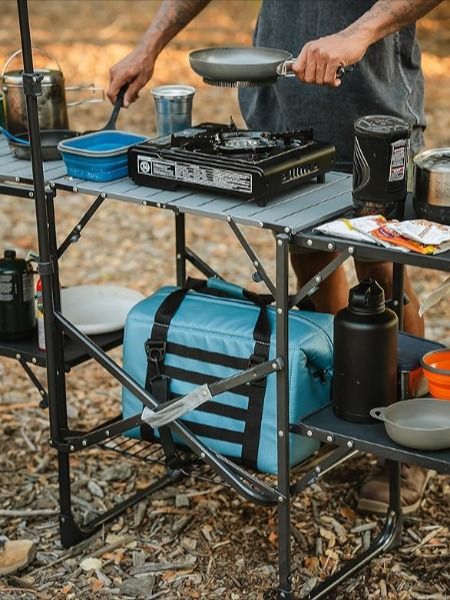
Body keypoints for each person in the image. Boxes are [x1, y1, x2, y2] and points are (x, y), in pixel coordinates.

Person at [107, 0, 443, 515]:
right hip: (281, 108)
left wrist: (359, 32)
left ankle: (405, 444)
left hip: (371, 110)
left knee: (381, 277)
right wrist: (148, 46)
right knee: (310, 268)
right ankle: (337, 405)